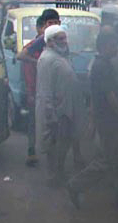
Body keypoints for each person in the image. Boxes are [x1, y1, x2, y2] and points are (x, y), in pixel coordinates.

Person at [65, 29, 118, 208]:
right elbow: (110, 96)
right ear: (104, 46)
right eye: (113, 46)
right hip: (110, 121)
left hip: (107, 119)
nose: (116, 50)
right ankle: (75, 185)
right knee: (109, 160)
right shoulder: (102, 66)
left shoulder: (101, 64)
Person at [35, 24, 86, 186]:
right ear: (50, 42)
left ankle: (59, 172)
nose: (64, 41)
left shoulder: (60, 57)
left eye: (65, 38)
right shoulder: (47, 59)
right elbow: (45, 89)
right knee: (54, 145)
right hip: (57, 111)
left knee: (63, 143)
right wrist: (51, 114)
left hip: (66, 109)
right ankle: (53, 176)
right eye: (60, 39)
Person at [15, 9, 61, 167]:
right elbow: (20, 56)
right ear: (40, 28)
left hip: (53, 91)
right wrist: (40, 63)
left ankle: (52, 155)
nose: (53, 26)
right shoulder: (38, 43)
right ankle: (31, 150)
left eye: (56, 23)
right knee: (34, 122)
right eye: (50, 23)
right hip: (34, 89)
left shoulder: (57, 44)